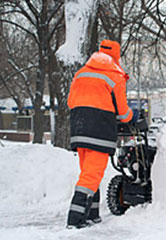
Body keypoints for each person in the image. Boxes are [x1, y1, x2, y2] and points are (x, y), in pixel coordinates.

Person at [66, 39, 139, 228]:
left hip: (79, 128)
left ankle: (92, 214)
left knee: (89, 173)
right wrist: (133, 116)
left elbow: (71, 101)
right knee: (91, 175)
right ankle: (75, 220)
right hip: (98, 131)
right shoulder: (115, 76)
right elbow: (123, 113)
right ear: (116, 55)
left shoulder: (81, 73)